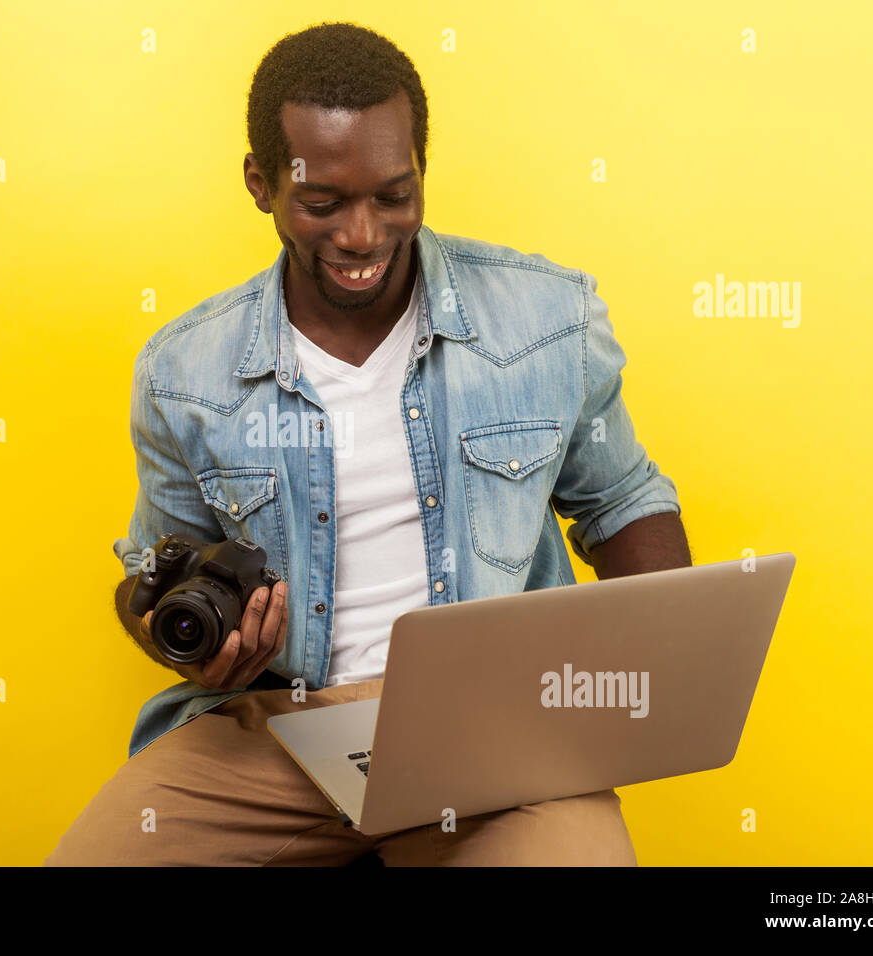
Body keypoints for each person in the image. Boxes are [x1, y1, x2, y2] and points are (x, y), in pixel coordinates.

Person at [46, 21, 691, 866]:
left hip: (496, 728)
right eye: (323, 203)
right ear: (261, 183)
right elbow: (150, 572)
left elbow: (621, 502)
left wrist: (668, 665)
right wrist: (197, 644)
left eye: (394, 195)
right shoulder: (183, 371)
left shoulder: (546, 321)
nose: (362, 235)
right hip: (271, 735)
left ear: (422, 168)